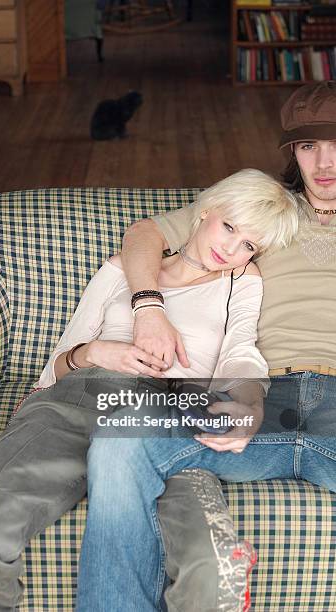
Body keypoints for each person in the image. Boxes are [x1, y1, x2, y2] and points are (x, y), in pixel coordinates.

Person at [0, 169, 298, 612]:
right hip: (79, 399)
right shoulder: (123, 268)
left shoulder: (241, 281)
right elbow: (59, 364)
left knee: (205, 563)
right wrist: (98, 352)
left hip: (164, 416)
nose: (230, 249)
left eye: (249, 245)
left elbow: (240, 351)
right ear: (204, 211)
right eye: (230, 227)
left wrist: (247, 397)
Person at [76, 81, 336, 611]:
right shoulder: (266, 215)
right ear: (292, 152)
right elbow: (145, 234)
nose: (322, 162)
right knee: (122, 438)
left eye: (335, 144)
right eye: (308, 146)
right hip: (266, 392)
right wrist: (148, 306)